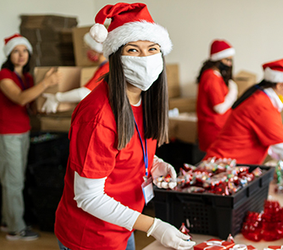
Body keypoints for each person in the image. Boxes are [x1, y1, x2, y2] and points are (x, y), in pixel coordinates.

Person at [54, 3, 196, 250]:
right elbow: (88, 196)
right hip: (91, 236)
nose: (146, 59)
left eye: (152, 49)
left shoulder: (144, 98)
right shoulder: (98, 115)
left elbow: (126, 148)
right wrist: (154, 226)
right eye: (133, 50)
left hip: (122, 224)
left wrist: (154, 164)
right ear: (116, 56)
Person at [0, 33, 60, 240]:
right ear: (8, 55)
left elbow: (30, 105)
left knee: (15, 180)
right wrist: (47, 83)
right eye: (16, 51)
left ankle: (8, 220)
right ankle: (16, 229)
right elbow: (20, 99)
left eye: (24, 51)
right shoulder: (3, 76)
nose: (21, 55)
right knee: (13, 182)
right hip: (6, 135)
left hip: (22, 132)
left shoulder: (27, 78)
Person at [204, 58, 283, 166]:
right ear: (280, 85)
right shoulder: (263, 106)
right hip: (223, 166)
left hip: (229, 163)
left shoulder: (262, 98)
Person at [41, 33, 109, 113]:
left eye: (89, 47)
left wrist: (56, 98)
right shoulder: (104, 66)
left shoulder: (107, 68)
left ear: (97, 50)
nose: (87, 50)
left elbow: (84, 93)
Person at [196, 39, 237, 152]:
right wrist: (233, 93)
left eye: (231, 60)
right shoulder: (211, 77)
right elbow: (219, 107)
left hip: (219, 127)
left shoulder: (216, 76)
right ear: (217, 59)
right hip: (213, 130)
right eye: (227, 60)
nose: (229, 64)